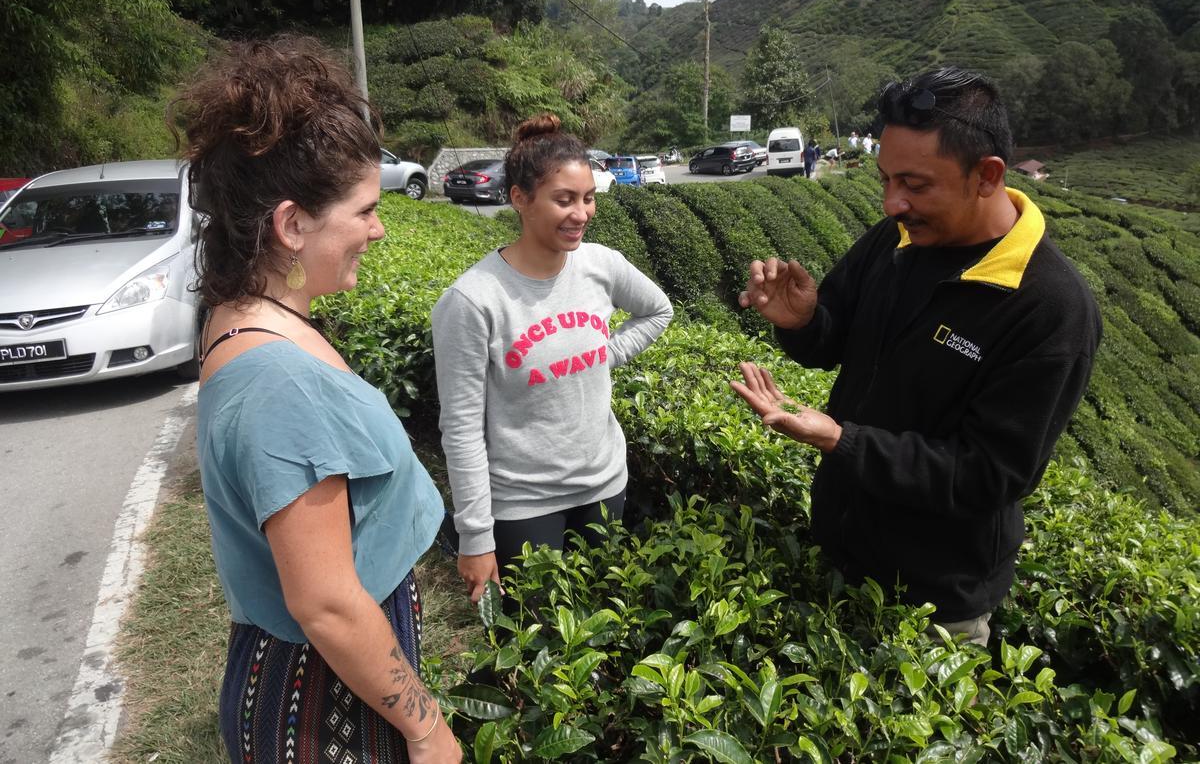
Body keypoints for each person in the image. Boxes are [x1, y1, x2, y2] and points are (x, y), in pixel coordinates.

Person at [732, 66, 1100, 646]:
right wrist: (803, 321)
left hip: (934, 602)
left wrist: (840, 440)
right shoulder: (898, 240)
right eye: (884, 179)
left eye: (915, 184)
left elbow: (988, 476)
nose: (891, 203)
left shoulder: (1049, 306)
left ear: (988, 175)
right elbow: (833, 344)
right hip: (840, 550)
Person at [175, 37, 461, 763]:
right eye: (363, 210)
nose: (379, 226)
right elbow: (327, 603)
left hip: (322, 680)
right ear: (292, 224)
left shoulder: (248, 315)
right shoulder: (280, 383)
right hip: (325, 701)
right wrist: (427, 726)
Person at [432, 114, 673, 604]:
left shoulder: (600, 265)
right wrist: (475, 536)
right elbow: (460, 429)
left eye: (587, 199)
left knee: (603, 623)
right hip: (523, 503)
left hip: (605, 484)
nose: (581, 213)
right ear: (520, 199)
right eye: (563, 200)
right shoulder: (474, 300)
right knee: (538, 640)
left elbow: (658, 310)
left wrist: (604, 355)